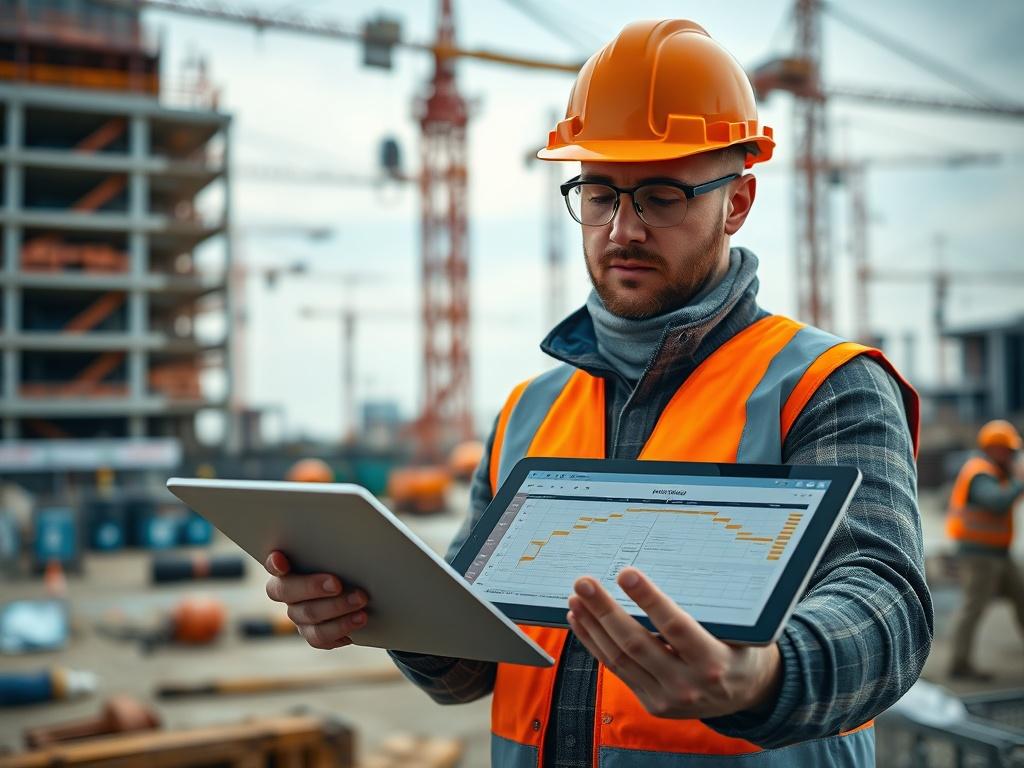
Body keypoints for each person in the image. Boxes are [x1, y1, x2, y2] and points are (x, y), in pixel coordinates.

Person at [264, 20, 932, 766]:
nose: (622, 230)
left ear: (737, 202)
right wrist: (381, 606)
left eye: (661, 196)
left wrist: (768, 676)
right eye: (599, 193)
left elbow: (886, 607)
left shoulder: (824, 386)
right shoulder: (528, 413)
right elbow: (467, 670)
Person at [947, 419, 1024, 680]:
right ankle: (959, 664)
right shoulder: (980, 473)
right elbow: (997, 503)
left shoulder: (997, 472)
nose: (1012, 455)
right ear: (994, 448)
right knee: (973, 607)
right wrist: (1019, 481)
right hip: (979, 555)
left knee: (1022, 598)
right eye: (1008, 450)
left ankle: (960, 663)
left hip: (999, 553)